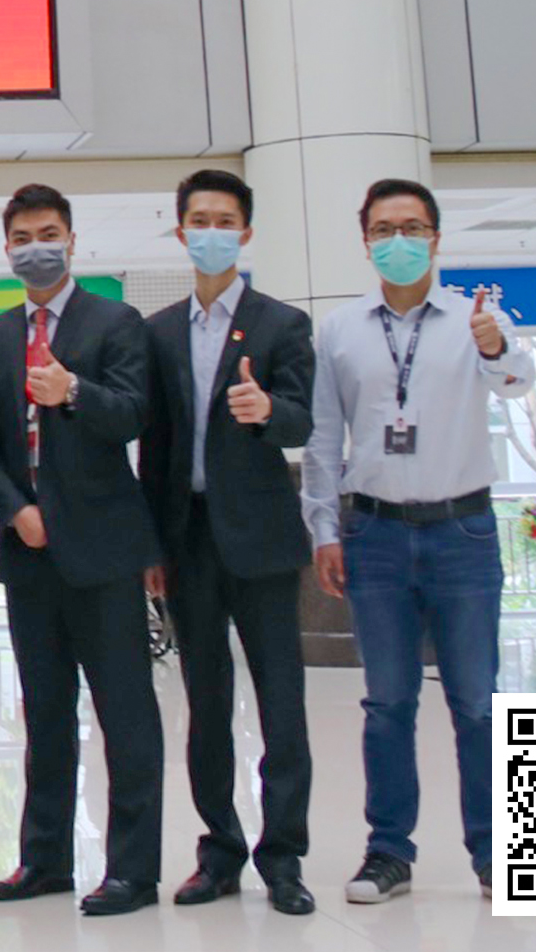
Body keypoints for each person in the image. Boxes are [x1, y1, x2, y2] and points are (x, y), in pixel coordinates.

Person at [303, 177, 533, 905]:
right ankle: (388, 852)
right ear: (365, 240)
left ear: (435, 238)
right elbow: (324, 436)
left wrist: (498, 347)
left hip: (463, 530)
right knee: (387, 701)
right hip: (373, 531)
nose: (397, 241)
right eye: (383, 229)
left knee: (476, 702)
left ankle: (494, 852)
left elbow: (518, 383)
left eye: (411, 228)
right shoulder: (340, 330)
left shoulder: (475, 318)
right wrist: (323, 527)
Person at [0, 184, 162, 917]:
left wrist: (73, 389)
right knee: (45, 714)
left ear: (73, 241)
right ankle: (44, 858)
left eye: (48, 234)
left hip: (104, 552)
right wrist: (13, 509)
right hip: (29, 553)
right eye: (22, 238)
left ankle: (132, 870)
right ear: (7, 249)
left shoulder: (116, 321)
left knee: (126, 715)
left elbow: (133, 414)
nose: (36, 249)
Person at [137, 171, 317, 917]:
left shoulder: (282, 325)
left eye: (225, 220)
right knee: (205, 702)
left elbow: (303, 420)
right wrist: (152, 545)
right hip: (188, 539)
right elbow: (154, 446)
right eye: (199, 220)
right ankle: (220, 850)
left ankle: (284, 856)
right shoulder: (157, 331)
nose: (211, 231)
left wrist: (267, 408)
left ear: (245, 232)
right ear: (181, 232)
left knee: (282, 702)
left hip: (263, 540)